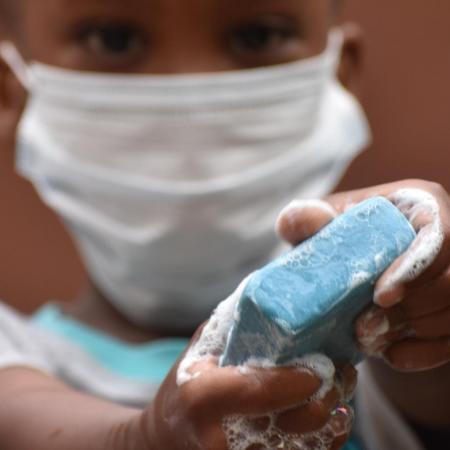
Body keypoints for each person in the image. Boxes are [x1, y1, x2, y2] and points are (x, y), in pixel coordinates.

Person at [0, 0, 448, 449]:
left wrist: (426, 292)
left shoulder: (376, 366)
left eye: (256, 36)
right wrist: (137, 440)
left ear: (340, 77)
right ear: (9, 93)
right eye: (114, 39)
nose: (191, 88)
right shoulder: (12, 354)